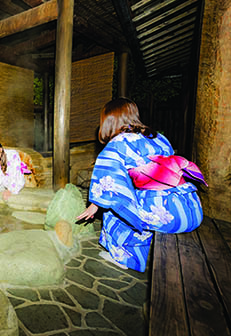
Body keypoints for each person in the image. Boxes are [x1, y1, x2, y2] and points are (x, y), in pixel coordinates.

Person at [76, 98, 206, 272]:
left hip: (169, 215)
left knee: (116, 211)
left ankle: (124, 258)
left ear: (108, 121)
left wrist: (95, 206)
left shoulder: (117, 144)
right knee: (137, 202)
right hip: (191, 208)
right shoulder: (158, 136)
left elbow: (107, 179)